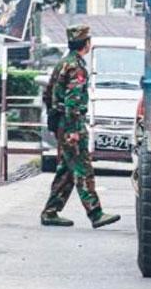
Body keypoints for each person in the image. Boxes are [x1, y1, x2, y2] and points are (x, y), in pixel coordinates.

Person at [40, 24, 120, 229]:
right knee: (83, 168)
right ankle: (95, 213)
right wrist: (74, 129)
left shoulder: (63, 63)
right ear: (86, 43)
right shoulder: (76, 67)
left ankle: (50, 212)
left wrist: (54, 117)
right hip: (71, 125)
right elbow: (73, 100)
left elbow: (47, 93)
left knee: (66, 171)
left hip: (62, 123)